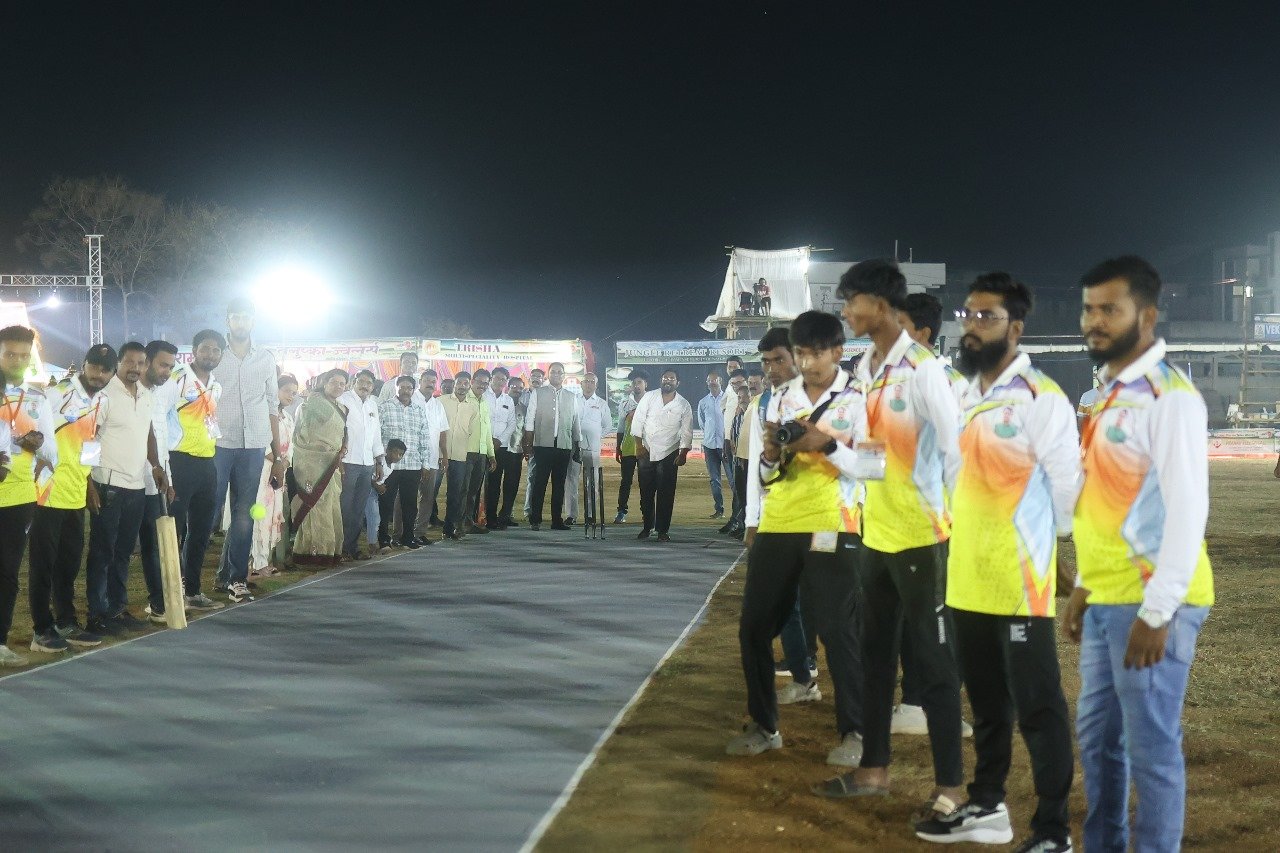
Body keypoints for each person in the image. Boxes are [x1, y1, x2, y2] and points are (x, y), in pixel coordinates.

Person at [913, 274, 1079, 851]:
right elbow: (950, 474)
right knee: (986, 705)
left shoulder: (1041, 397)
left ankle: (1053, 831)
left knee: (1038, 707)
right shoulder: (962, 395)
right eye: (968, 314)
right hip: (966, 576)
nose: (973, 325)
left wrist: (1052, 548)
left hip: (1018, 579)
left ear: (1017, 327)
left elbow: (1067, 486)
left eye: (987, 316)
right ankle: (987, 807)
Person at [1064, 256, 1215, 853]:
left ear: (1146, 316)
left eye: (1110, 309)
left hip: (1151, 601)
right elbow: (1103, 500)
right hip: (1107, 594)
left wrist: (1158, 611)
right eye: (1088, 309)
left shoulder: (1169, 397)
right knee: (1097, 742)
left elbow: (1188, 508)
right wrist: (1084, 583)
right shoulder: (1108, 394)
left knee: (1150, 747)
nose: (1093, 321)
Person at [824, 259, 964, 825]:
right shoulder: (865, 369)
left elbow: (955, 453)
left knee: (934, 664)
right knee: (877, 657)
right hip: (876, 536)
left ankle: (952, 788)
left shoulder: (924, 371)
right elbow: (871, 461)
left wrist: (964, 530)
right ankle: (874, 771)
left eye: (849, 301)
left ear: (879, 306)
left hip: (923, 539)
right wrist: (825, 447)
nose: (844, 312)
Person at [729, 311, 867, 772]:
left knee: (836, 629)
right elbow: (768, 475)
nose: (807, 363)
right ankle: (764, 726)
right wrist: (771, 455)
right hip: (779, 521)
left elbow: (876, 467)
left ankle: (855, 731)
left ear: (837, 352)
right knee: (753, 627)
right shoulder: (779, 399)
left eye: (815, 354)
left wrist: (825, 444)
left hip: (832, 522)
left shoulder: (859, 397)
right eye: (802, 354)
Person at [894, 291, 970, 736]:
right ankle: (915, 702)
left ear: (921, 333)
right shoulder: (892, 379)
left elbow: (958, 454)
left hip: (937, 520)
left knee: (937, 616)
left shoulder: (947, 382)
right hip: (901, 520)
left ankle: (935, 705)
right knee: (915, 614)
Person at [745, 327, 818, 703]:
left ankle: (855, 704)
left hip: (827, 517)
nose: (770, 369)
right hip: (780, 517)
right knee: (785, 601)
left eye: (779, 360)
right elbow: (757, 467)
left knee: (833, 607)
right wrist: (751, 519)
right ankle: (803, 676)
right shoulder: (764, 404)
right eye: (765, 362)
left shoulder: (827, 397)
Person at [28, 344, 116, 653]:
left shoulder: (102, 401)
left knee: (68, 565)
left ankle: (66, 622)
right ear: (84, 364)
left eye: (105, 370)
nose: (98, 374)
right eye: (94, 367)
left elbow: (90, 443)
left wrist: (89, 484)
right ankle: (41, 629)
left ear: (112, 373)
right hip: (47, 493)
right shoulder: (56, 394)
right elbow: (32, 433)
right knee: (43, 565)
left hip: (76, 494)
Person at [85, 341, 166, 635]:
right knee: (102, 552)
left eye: (141, 363)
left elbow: (148, 433)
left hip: (136, 485)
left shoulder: (146, 395)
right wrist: (88, 483)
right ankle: (97, 615)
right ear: (119, 363)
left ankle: (117, 609)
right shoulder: (105, 395)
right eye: (130, 362)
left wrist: (155, 465)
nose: (135, 368)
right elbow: (89, 437)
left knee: (123, 553)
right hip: (107, 484)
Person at [213, 298, 285, 605]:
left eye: (245, 317)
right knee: (207, 512)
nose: (240, 322)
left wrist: (278, 456)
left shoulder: (265, 359)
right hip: (218, 444)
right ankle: (188, 584)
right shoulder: (215, 355)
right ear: (227, 321)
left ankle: (236, 580)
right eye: (235, 317)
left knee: (244, 515)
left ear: (253, 321)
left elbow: (272, 406)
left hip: (254, 446)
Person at [0, 325, 58, 663]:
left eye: (24, 355)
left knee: (7, 572)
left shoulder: (37, 398)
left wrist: (37, 444)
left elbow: (53, 451)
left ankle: (0, 641)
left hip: (18, 497)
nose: (17, 361)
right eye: (10, 354)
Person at [166, 329, 226, 612]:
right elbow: (159, 416)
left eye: (216, 350)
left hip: (206, 462)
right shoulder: (176, 378)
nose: (210, 355)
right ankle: (167, 595)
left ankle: (193, 591)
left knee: (201, 532)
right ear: (194, 351)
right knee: (174, 530)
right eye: (205, 349)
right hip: (179, 461)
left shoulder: (216, 386)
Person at [136, 340, 181, 624]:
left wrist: (169, 479)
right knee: (116, 550)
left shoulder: (163, 393)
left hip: (155, 483)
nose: (167, 372)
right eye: (163, 365)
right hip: (126, 482)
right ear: (147, 361)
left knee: (154, 545)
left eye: (171, 367)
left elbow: (162, 440)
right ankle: (108, 611)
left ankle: (159, 604)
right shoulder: (127, 392)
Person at [290, 369, 349, 567]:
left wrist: (342, 449)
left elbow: (342, 433)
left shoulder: (342, 407)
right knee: (315, 505)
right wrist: (320, 451)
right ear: (324, 382)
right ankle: (310, 553)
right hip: (314, 463)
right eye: (334, 382)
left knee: (331, 505)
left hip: (332, 465)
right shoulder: (312, 403)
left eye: (342, 383)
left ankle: (330, 551)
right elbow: (302, 434)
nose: (338, 386)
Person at [630, 369, 692, 542]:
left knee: (666, 494)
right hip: (646, 450)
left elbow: (687, 431)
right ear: (661, 380)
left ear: (677, 383)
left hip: (669, 453)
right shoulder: (649, 397)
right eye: (665, 377)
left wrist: (683, 453)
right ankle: (647, 527)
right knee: (646, 493)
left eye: (672, 378)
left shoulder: (683, 404)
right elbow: (638, 421)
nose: (668, 380)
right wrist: (638, 446)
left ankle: (662, 530)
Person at [249, 375, 298, 576]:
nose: (290, 396)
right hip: (263, 470)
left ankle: (264, 560)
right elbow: (259, 441)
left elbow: (291, 446)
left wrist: (284, 462)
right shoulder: (263, 414)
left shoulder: (287, 418)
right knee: (259, 514)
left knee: (273, 516)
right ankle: (255, 562)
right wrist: (275, 459)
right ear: (274, 390)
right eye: (286, 391)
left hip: (279, 471)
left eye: (294, 393)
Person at [523, 362, 581, 531]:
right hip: (542, 445)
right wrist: (528, 443)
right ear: (548, 375)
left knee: (559, 484)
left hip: (564, 445)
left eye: (559, 372)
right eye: (553, 372)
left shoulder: (571, 396)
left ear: (564, 376)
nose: (556, 374)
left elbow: (575, 422)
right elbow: (530, 419)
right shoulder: (538, 393)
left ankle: (557, 520)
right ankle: (535, 519)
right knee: (539, 482)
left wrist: (577, 445)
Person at [338, 369, 385, 560]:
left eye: (369, 383)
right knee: (344, 507)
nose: (365, 386)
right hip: (347, 462)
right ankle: (339, 549)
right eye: (361, 381)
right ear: (353, 382)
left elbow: (376, 435)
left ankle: (352, 547)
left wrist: (379, 461)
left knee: (359, 509)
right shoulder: (343, 400)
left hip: (367, 464)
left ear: (373, 387)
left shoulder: (373, 404)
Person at [378, 376, 428, 549]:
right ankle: (383, 539)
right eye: (402, 387)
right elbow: (377, 435)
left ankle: (408, 537)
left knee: (410, 505)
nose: (405, 390)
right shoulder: (384, 407)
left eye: (409, 388)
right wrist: (379, 461)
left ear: (413, 390)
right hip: (390, 466)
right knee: (385, 503)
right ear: (396, 388)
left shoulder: (419, 410)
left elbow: (424, 437)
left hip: (412, 465)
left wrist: (425, 464)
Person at [563, 373, 612, 526]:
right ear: (581, 384)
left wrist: (595, 436)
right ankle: (571, 515)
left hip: (592, 449)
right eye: (586, 381)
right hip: (574, 447)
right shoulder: (573, 400)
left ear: (596, 385)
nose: (589, 384)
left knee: (592, 482)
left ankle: (590, 515)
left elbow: (608, 426)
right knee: (571, 480)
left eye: (592, 382)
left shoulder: (601, 403)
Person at [440, 372, 482, 540]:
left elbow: (473, 431)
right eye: (459, 383)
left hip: (460, 455)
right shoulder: (441, 401)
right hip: (438, 454)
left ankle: (449, 528)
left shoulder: (473, 406)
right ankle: (421, 527)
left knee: (455, 494)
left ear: (469, 385)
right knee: (430, 492)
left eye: (465, 383)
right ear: (454, 383)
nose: (462, 386)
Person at [485, 368, 521, 530]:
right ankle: (475, 517)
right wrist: (488, 440)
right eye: (497, 378)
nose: (500, 381)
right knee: (479, 484)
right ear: (491, 378)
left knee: (494, 483)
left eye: (503, 379)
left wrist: (499, 440)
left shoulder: (508, 400)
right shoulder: (483, 396)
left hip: (501, 447)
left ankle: (492, 518)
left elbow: (512, 423)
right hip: (483, 445)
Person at [415, 370, 449, 537]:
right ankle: (401, 534)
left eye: (433, 381)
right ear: (420, 381)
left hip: (432, 457)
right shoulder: (410, 399)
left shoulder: (437, 405)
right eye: (427, 380)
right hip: (411, 458)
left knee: (428, 497)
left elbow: (442, 432)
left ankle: (420, 533)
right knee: (406, 497)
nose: (430, 383)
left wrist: (444, 455)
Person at [463, 369, 496, 533]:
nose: (482, 385)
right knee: (463, 490)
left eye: (485, 383)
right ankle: (456, 523)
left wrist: (491, 454)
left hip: (481, 453)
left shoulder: (484, 402)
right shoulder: (464, 399)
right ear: (472, 381)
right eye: (479, 382)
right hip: (465, 452)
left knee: (473, 491)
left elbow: (487, 430)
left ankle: (468, 522)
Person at [613, 369, 647, 524]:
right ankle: (621, 511)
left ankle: (646, 512)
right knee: (625, 481)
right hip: (627, 448)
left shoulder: (652, 402)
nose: (637, 385)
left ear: (645, 384)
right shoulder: (624, 403)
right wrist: (617, 447)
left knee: (646, 482)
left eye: (639, 382)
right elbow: (620, 428)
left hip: (646, 449)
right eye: (634, 383)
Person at [697, 370, 732, 520]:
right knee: (714, 480)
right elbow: (702, 423)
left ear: (720, 382)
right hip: (710, 446)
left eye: (714, 380)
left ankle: (738, 512)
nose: (712, 382)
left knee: (732, 479)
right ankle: (719, 509)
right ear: (706, 383)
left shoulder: (729, 399)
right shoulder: (703, 402)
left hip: (726, 445)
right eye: (709, 380)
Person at [720, 368, 749, 533]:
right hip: (734, 449)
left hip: (749, 454)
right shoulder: (731, 395)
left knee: (745, 489)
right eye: (733, 383)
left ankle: (743, 524)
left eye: (739, 382)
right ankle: (736, 521)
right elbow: (728, 420)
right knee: (737, 487)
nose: (736, 386)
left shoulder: (753, 402)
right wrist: (728, 441)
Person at [368, 439, 406, 551]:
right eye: (395, 452)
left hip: (375, 492)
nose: (398, 456)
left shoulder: (392, 466)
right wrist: (377, 486)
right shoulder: (379, 462)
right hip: (368, 490)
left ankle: (372, 543)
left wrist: (381, 486)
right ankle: (372, 543)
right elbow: (367, 476)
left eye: (401, 454)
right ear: (387, 450)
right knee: (374, 516)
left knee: (375, 517)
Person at [726, 383, 751, 538]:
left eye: (744, 397)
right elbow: (733, 437)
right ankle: (741, 526)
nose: (741, 400)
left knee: (750, 497)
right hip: (738, 463)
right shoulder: (737, 418)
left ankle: (749, 528)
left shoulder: (753, 417)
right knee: (741, 496)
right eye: (739, 397)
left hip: (750, 463)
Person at [520, 367, 545, 519]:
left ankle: (532, 510)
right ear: (529, 379)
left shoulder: (547, 395)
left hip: (540, 440)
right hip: (519, 440)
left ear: (543, 380)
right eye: (533, 376)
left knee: (536, 476)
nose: (536, 378)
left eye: (539, 376)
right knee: (523, 476)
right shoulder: (521, 395)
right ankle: (521, 511)